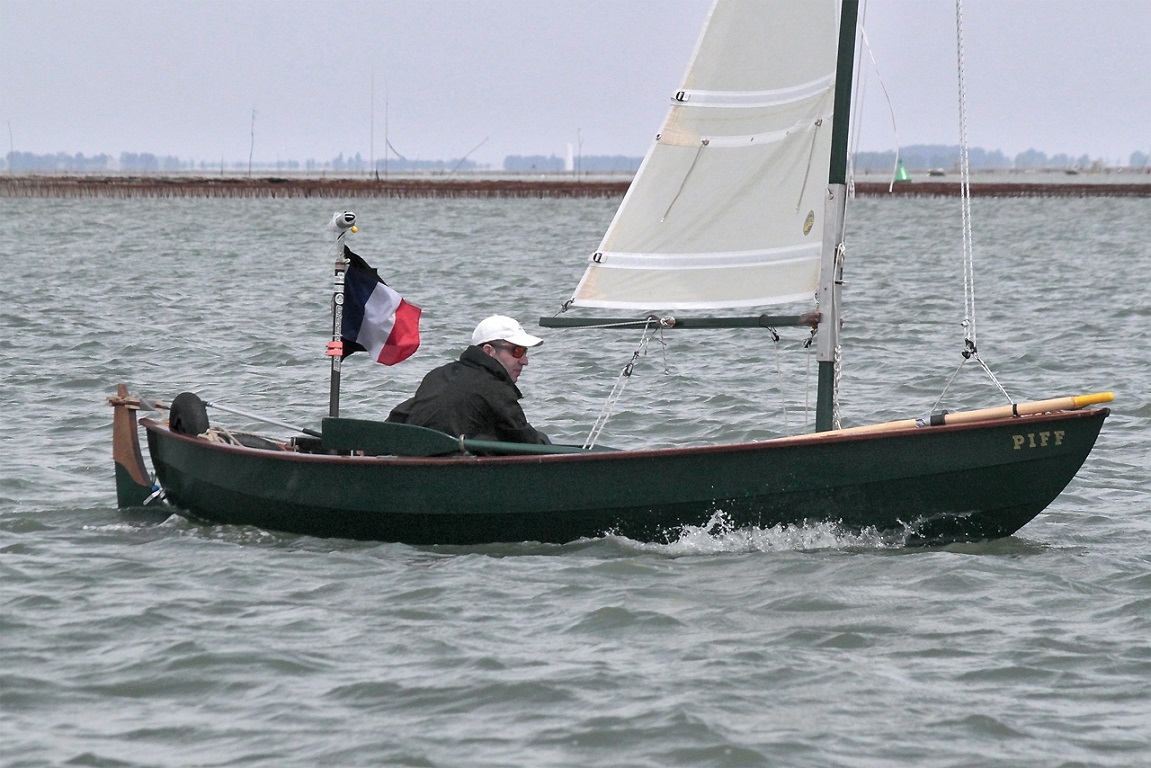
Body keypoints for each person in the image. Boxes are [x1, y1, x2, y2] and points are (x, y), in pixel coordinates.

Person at [386, 315, 551, 445]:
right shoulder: (495, 388)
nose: (524, 361)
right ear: (489, 351)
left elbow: (398, 416)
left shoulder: (437, 375)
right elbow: (526, 439)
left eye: (525, 352)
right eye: (517, 351)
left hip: (417, 463)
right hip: (456, 471)